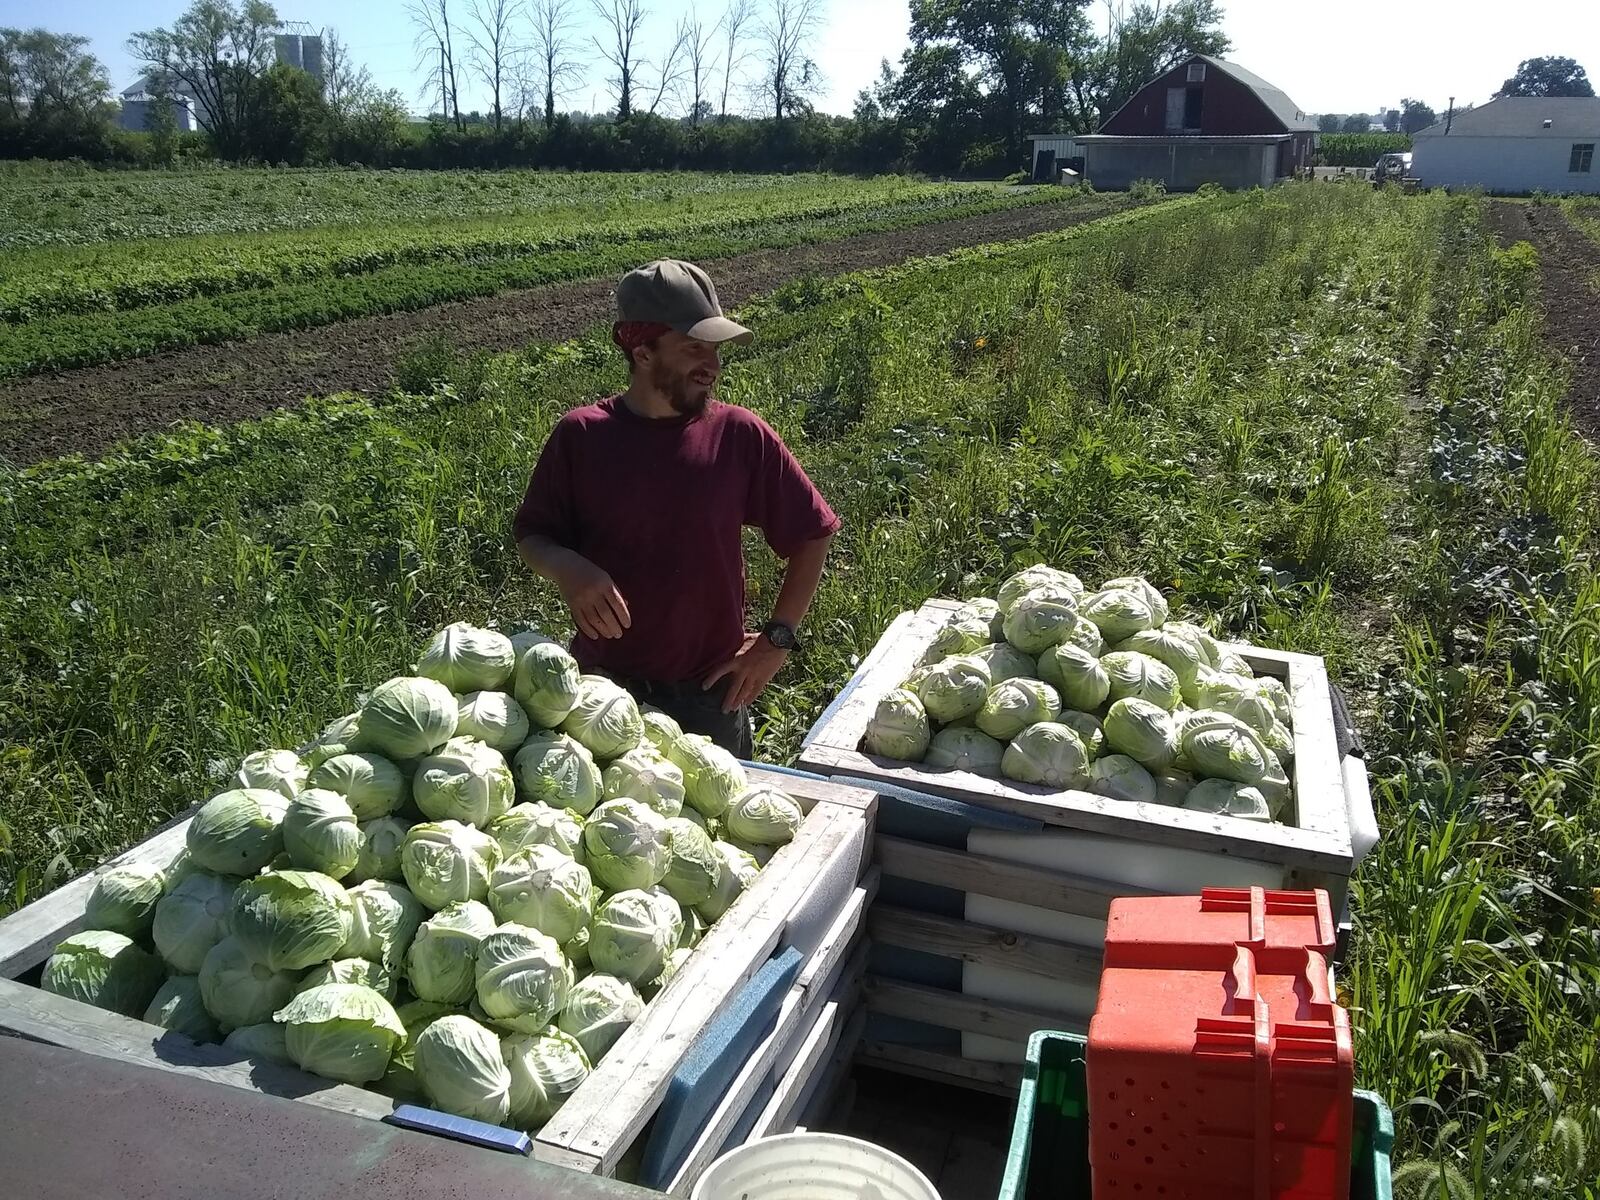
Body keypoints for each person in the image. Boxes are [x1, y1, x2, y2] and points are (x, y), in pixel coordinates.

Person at [513, 259, 839, 758]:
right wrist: (569, 568)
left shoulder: (737, 434)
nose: (712, 365)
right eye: (694, 348)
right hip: (600, 692)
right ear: (642, 351)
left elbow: (813, 532)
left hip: (709, 693)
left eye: (715, 349)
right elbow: (534, 535)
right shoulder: (582, 435)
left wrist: (777, 639)